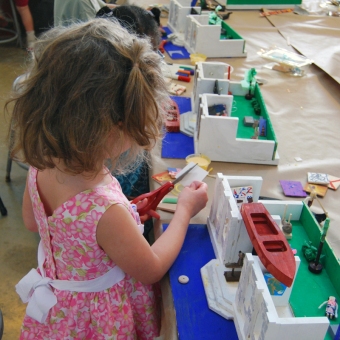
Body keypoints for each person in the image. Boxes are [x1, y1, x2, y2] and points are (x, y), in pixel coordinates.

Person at [9, 19, 208, 339]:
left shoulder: (41, 162)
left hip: (59, 314)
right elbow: (152, 267)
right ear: (111, 128)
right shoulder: (103, 210)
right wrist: (184, 209)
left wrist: (124, 217)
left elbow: (39, 224)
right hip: (96, 322)